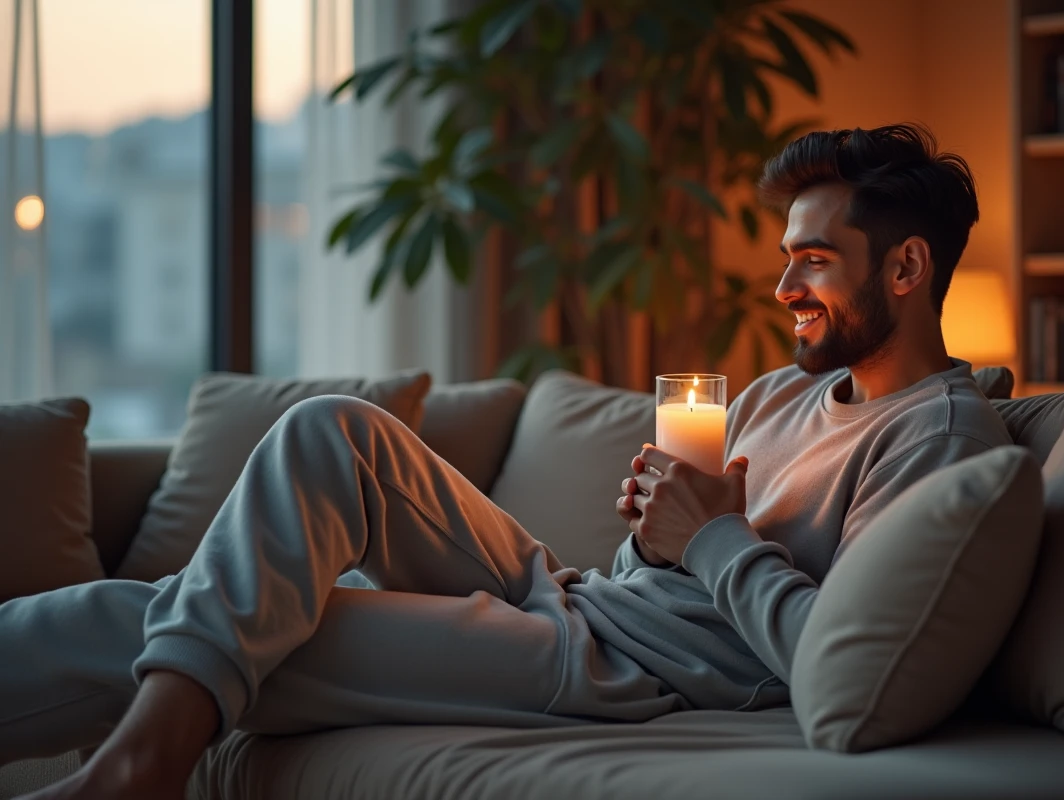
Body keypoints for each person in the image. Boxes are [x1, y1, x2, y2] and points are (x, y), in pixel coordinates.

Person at [1, 123, 1012, 800]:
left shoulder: (942, 438)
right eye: (785, 255)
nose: (785, 282)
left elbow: (845, 663)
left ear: (908, 266)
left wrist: (707, 537)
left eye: (815, 258)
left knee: (148, 613)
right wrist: (659, 534)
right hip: (582, 600)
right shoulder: (775, 393)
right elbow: (674, 558)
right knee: (330, 430)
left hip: (628, 673)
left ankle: (143, 761)